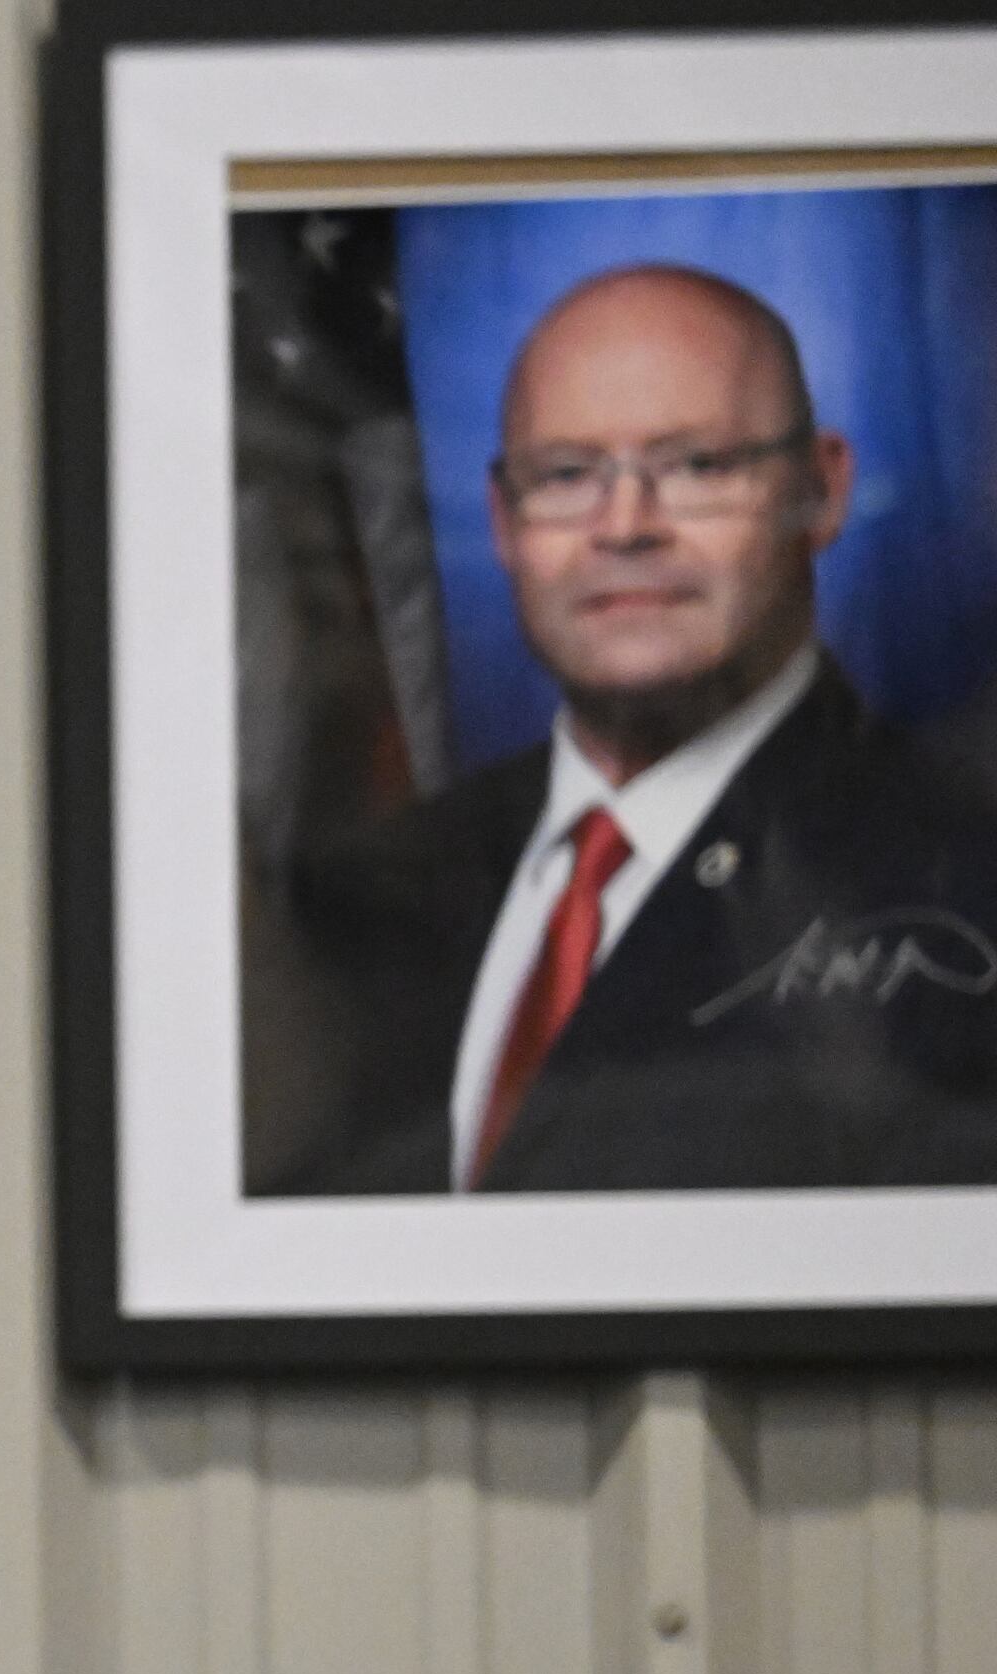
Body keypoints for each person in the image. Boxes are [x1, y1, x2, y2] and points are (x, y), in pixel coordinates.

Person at [270, 263, 997, 1194]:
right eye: (566, 475)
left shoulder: (961, 873)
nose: (624, 526)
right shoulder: (376, 891)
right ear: (502, 521)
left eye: (699, 465)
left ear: (821, 490)